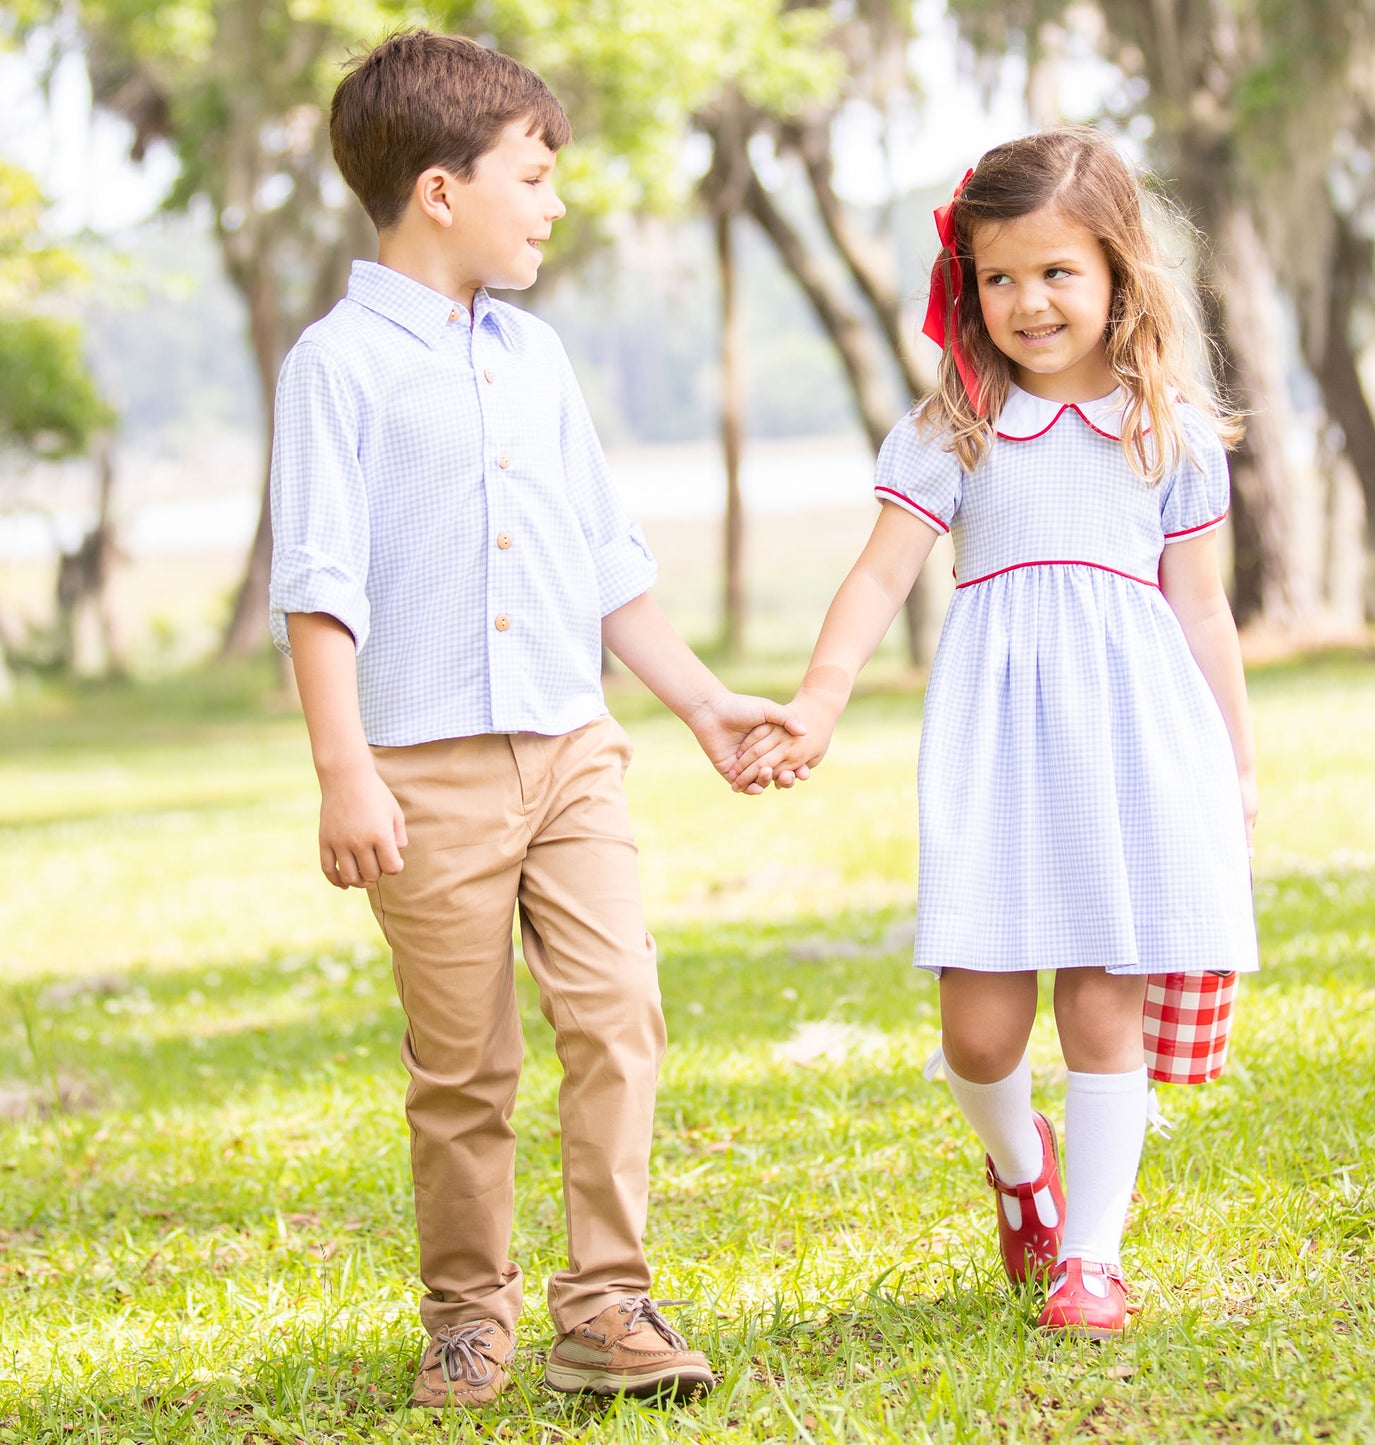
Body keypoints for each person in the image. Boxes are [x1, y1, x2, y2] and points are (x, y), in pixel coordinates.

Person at [269, 30, 805, 1408]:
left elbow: (604, 559)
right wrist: (345, 776)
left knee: (621, 1008)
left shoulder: (535, 354)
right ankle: (468, 1314)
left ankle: (607, 1306)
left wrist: (696, 703)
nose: (553, 200)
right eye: (533, 172)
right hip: (421, 771)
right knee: (464, 1065)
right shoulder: (337, 369)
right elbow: (319, 589)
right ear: (440, 190)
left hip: (573, 749)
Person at [731, 127, 1258, 1338]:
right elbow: (874, 583)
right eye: (998, 276)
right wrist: (817, 696)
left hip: (1132, 744)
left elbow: (1201, 603)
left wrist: (1232, 760)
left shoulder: (1163, 429)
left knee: (1101, 999)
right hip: (996, 749)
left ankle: (1091, 1257)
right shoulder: (951, 430)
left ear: (1117, 272)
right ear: (967, 284)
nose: (1026, 301)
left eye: (1056, 272)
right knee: (977, 1026)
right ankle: (1021, 1170)